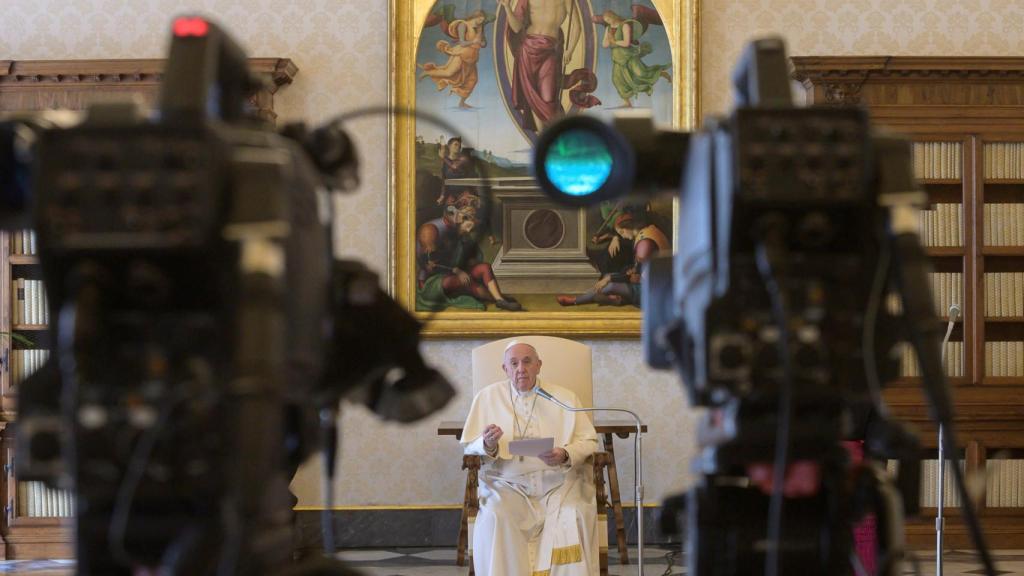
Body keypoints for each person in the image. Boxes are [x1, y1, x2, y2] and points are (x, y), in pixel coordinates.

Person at [462, 342, 599, 576]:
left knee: (572, 512)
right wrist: (488, 444)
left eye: (527, 362)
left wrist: (565, 454)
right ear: (504, 368)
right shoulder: (486, 398)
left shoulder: (564, 397)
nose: (521, 369)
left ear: (539, 365)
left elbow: (589, 441)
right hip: (506, 485)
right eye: (514, 363)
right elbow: (469, 448)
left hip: (558, 484)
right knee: (497, 514)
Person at [498, 0, 599, 135]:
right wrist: (507, 7)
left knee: (548, 99)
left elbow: (576, 26)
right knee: (532, 95)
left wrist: (570, 50)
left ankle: (557, 135)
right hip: (527, 49)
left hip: (550, 50)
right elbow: (516, 28)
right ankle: (542, 136)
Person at [416, 206, 522, 311]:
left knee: (485, 267)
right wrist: (456, 270)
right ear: (460, 222)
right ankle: (498, 299)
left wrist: (471, 261)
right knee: (467, 280)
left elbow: (474, 256)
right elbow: (431, 265)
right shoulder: (443, 237)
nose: (469, 231)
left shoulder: (464, 237)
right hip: (435, 281)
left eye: (471, 228)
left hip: (456, 273)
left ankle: (499, 299)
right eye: (467, 227)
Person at [557, 212, 668, 306]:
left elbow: (638, 278)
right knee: (607, 278)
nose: (622, 236)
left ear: (627, 228)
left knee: (610, 285)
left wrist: (610, 278)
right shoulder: (646, 231)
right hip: (651, 282)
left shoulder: (644, 245)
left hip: (651, 291)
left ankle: (575, 301)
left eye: (621, 232)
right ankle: (616, 298)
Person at [595, 8, 671, 108]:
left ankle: (661, 73)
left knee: (641, 73)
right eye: (606, 21)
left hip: (629, 56)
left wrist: (614, 42)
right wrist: (608, 41)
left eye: (608, 19)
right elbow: (604, 44)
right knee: (616, 80)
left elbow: (626, 43)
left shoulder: (625, 25)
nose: (608, 22)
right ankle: (627, 103)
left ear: (613, 16)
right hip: (618, 58)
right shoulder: (608, 29)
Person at [419, 10, 492, 109]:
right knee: (449, 73)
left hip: (472, 57)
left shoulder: (479, 29)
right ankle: (427, 73)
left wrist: (481, 39)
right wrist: (474, 41)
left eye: (482, 21)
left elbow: (483, 44)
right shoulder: (463, 25)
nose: (480, 22)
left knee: (473, 80)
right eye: (479, 19)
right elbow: (462, 43)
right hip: (461, 53)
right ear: (475, 16)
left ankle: (462, 103)